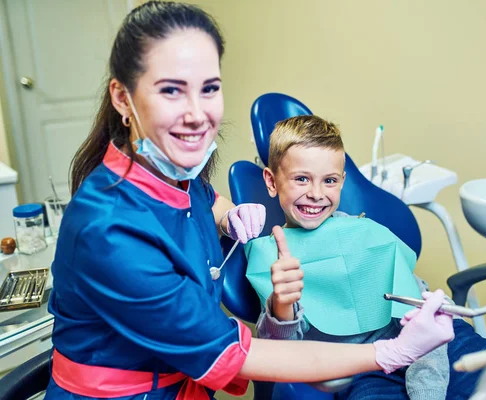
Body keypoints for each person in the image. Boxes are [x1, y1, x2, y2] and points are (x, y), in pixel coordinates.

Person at [44, 2, 454, 399]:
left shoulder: (172, 175)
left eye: (209, 89)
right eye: (171, 90)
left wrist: (228, 216)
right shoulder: (110, 232)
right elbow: (236, 354)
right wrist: (391, 353)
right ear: (122, 98)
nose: (196, 114)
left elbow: (205, 200)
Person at [248, 115, 486, 400]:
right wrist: (283, 305)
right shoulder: (276, 259)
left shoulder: (366, 232)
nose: (316, 194)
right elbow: (280, 354)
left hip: (434, 344)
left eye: (329, 180)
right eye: (301, 179)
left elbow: (418, 303)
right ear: (271, 181)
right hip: (363, 367)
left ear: (342, 182)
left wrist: (427, 389)